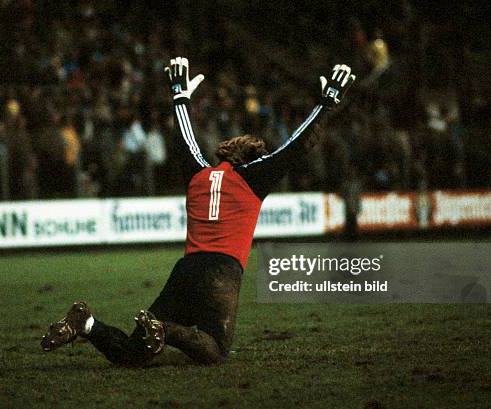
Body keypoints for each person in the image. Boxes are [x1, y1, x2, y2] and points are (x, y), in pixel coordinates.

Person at [41, 57, 356, 365]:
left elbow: (184, 140)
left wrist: (179, 95)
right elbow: (296, 145)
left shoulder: (198, 174)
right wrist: (326, 103)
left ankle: (86, 325)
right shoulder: (254, 177)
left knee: (134, 352)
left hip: (186, 270)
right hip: (221, 273)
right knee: (216, 349)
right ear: (251, 160)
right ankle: (163, 329)